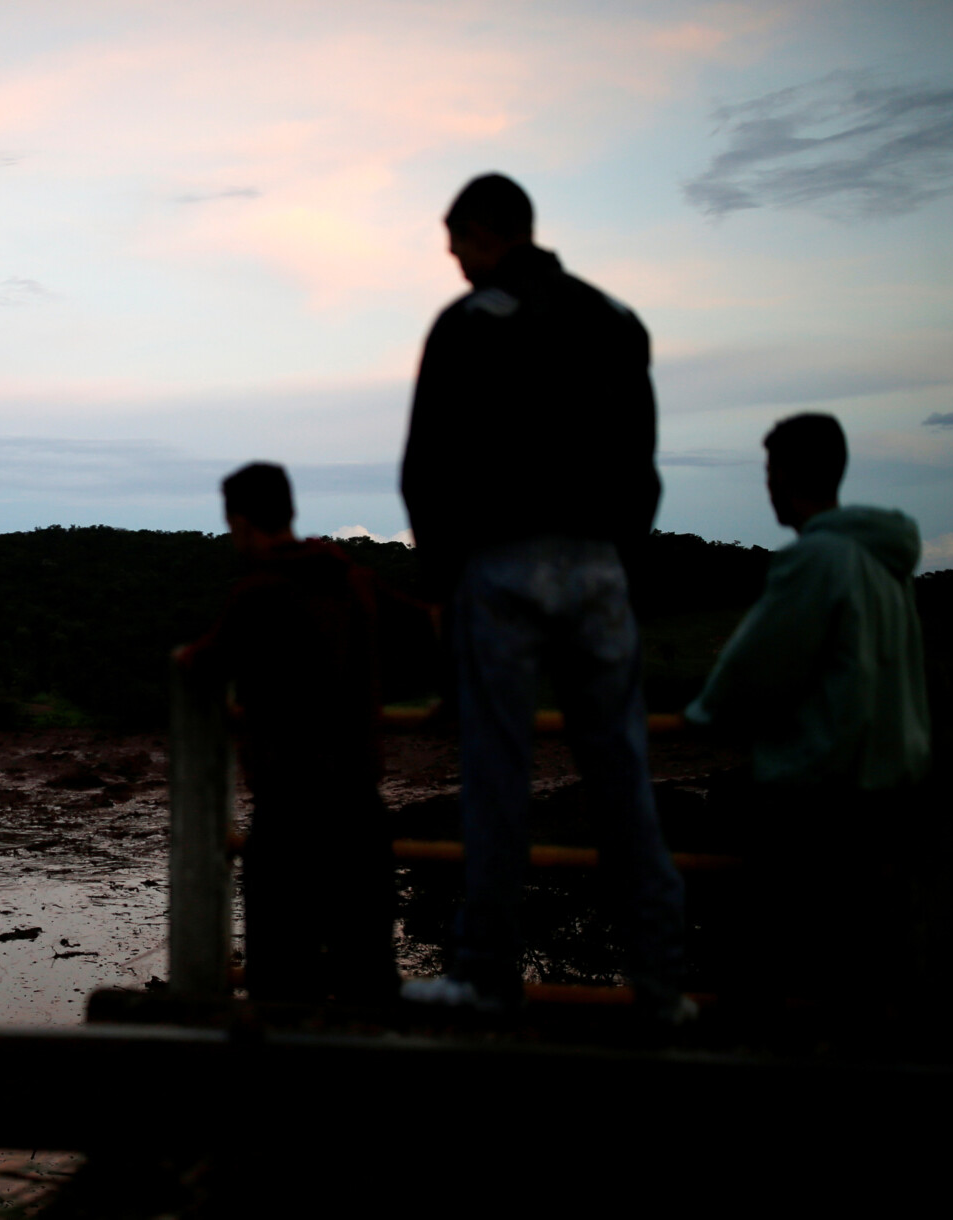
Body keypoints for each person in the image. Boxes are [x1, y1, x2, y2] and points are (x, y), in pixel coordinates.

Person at [398, 173, 687, 1018]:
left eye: (454, 240)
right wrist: (618, 563)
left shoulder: (465, 325)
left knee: (499, 776)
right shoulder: (617, 320)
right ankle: (664, 986)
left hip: (500, 567)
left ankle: (486, 976)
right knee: (622, 777)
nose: (450, 257)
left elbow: (428, 470)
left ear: (485, 232)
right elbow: (642, 460)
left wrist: (444, 581)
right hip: (600, 565)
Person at [685, 413, 928, 1014]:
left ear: (787, 475)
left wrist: (702, 715)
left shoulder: (815, 562)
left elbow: (740, 682)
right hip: (889, 803)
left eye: (770, 470)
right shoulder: (883, 562)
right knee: (854, 986)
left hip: (818, 806)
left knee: (767, 982)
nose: (765, 485)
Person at [178, 462, 397, 1005]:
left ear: (241, 522)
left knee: (279, 981)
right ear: (291, 512)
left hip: (290, 814)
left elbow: (201, 663)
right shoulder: (356, 581)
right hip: (363, 811)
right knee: (368, 976)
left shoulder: (258, 593)